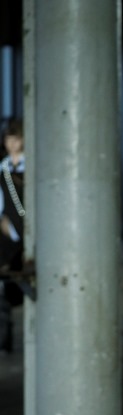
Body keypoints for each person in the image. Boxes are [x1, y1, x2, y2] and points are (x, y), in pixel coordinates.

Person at [0, 118, 25, 353]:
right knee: (4, 285)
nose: (12, 144)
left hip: (29, 230)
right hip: (8, 231)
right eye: (8, 139)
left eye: (15, 139)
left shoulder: (32, 166)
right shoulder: (3, 168)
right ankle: (4, 339)